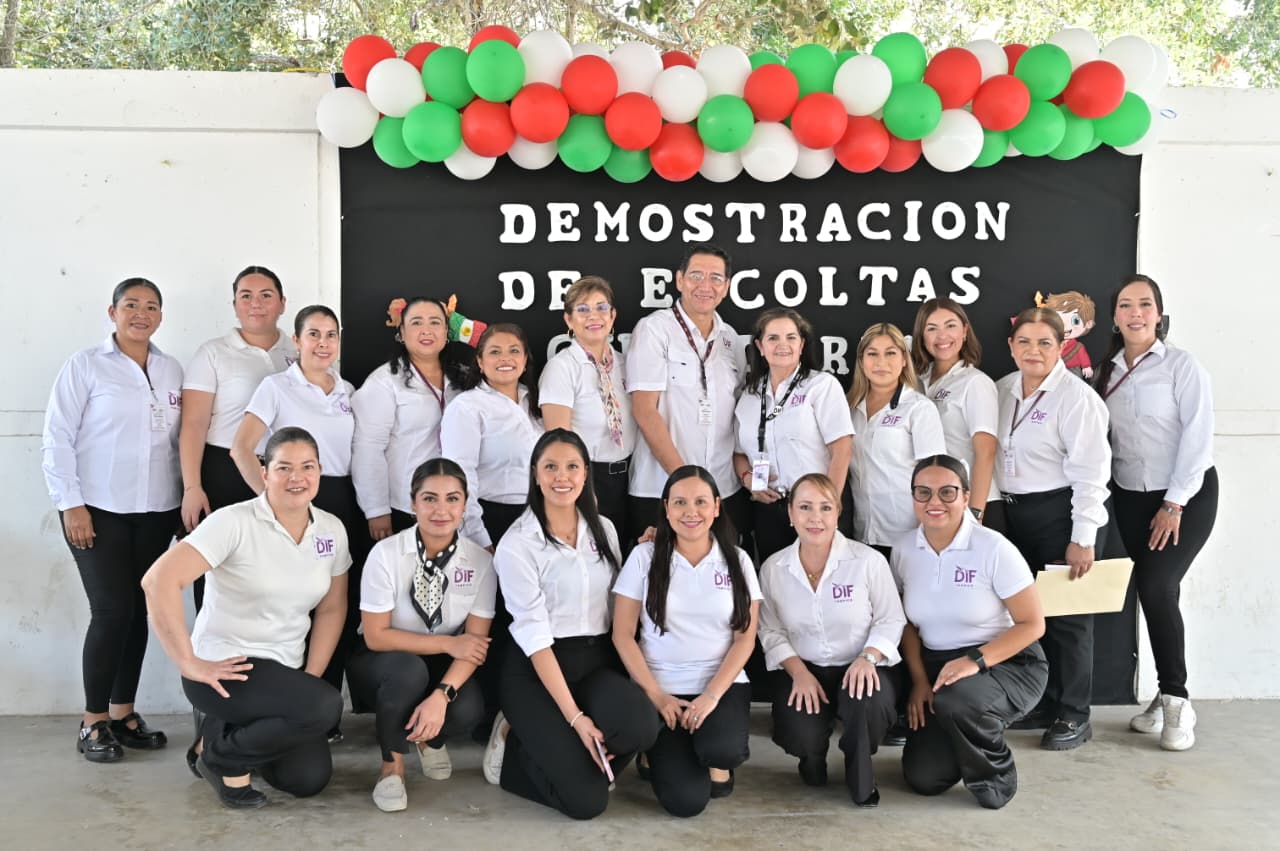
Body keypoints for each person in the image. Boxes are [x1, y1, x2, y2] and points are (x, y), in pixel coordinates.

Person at [141, 428, 350, 809]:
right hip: (224, 667)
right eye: (284, 467)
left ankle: (221, 736)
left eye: (307, 467)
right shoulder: (233, 522)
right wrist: (189, 663)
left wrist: (310, 679)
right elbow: (158, 581)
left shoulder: (331, 530)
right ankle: (220, 757)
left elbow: (332, 608)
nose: (297, 477)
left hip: (283, 672)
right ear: (264, 472)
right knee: (325, 706)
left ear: (320, 471)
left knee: (307, 779)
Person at [42, 277, 182, 762]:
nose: (141, 314)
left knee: (138, 610)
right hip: (97, 509)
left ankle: (123, 714)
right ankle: (93, 721)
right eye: (131, 305)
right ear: (113, 312)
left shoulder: (170, 369)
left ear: (161, 316)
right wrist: (70, 503)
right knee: (111, 611)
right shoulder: (85, 365)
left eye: (151, 306)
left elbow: (177, 442)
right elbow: (57, 436)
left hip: (157, 509)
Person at [485, 430, 659, 820]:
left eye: (572, 467)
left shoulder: (604, 529)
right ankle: (513, 746)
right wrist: (577, 720)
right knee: (586, 802)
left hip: (595, 661)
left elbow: (617, 603)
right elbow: (534, 637)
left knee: (643, 726)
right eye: (551, 467)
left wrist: (646, 553)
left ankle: (574, 762)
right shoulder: (518, 544)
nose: (561, 477)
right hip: (538, 667)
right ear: (535, 474)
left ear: (585, 474)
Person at [1094, 275, 1218, 751]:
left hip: (1185, 495)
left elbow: (1198, 438)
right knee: (1152, 592)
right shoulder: (1104, 372)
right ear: (1115, 317)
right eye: (1126, 305)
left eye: (1145, 304)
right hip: (1130, 496)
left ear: (1159, 314)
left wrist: (1174, 503)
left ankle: (1177, 700)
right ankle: (1165, 692)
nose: (1136, 313)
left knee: (1158, 586)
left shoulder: (1181, 366)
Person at [230, 305, 361, 719]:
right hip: (294, 499)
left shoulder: (347, 391)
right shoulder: (276, 386)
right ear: (298, 340)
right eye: (314, 334)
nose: (323, 343)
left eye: (331, 335)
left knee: (337, 604)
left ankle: (323, 707)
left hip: (342, 500)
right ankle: (282, 702)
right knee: (291, 600)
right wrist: (273, 504)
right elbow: (241, 448)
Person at [895, 455, 1047, 810]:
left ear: (966, 496)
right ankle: (964, 734)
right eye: (923, 492)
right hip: (938, 669)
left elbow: (1033, 624)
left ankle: (996, 777)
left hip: (1005, 663)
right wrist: (919, 681)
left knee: (959, 701)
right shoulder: (903, 550)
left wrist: (974, 660)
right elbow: (906, 625)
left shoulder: (994, 548)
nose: (934, 502)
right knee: (924, 778)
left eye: (947, 492)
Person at [612, 465, 761, 818]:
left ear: (717, 507)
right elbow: (622, 634)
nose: (690, 512)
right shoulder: (644, 557)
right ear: (666, 508)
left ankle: (707, 751)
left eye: (700, 502)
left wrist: (710, 697)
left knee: (721, 753)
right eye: (679, 502)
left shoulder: (737, 560)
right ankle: (656, 750)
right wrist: (656, 695)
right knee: (685, 803)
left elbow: (745, 639)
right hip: (661, 686)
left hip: (719, 684)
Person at [348, 458, 495, 812]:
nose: (441, 510)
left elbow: (474, 646)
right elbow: (376, 636)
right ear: (413, 503)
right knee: (407, 672)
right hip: (382, 660)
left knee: (468, 707)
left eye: (452, 499)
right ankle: (391, 766)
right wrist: (448, 642)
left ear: (465, 505)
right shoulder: (386, 554)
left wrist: (442, 696)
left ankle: (428, 739)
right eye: (429, 499)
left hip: (441, 660)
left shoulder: (481, 562)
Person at [996, 308, 1111, 750]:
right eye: (1024, 341)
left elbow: (1091, 475)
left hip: (1063, 514)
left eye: (1045, 342)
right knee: (1029, 616)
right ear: (1011, 346)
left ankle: (1075, 714)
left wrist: (1082, 538)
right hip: (1016, 515)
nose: (1034, 351)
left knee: (1069, 620)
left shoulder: (1076, 399)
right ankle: (1043, 703)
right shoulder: (1004, 389)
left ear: (1062, 347)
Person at [758, 474, 904, 807]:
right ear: (790, 513)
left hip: (862, 665)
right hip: (805, 668)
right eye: (805, 507)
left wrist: (868, 658)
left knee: (867, 700)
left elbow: (891, 618)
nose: (815, 518)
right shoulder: (774, 568)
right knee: (798, 731)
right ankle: (811, 758)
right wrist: (798, 673)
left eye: (825, 508)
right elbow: (770, 630)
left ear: (838, 512)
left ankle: (860, 770)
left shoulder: (867, 561)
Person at [180, 266, 295, 609]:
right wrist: (191, 487)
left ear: (282, 303)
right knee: (217, 574)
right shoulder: (213, 352)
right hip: (223, 472)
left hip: (282, 473)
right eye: (246, 296)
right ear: (234, 305)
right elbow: (194, 425)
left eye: (266, 296)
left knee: (275, 573)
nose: (256, 304)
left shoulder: (299, 351)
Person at [626, 244, 749, 549]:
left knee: (724, 574)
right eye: (696, 275)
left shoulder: (730, 338)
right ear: (679, 280)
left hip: (723, 490)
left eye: (716, 278)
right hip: (662, 489)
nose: (705, 285)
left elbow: (739, 415)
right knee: (661, 575)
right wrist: (684, 482)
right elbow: (644, 410)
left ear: (726, 287)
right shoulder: (654, 329)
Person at [732, 308, 854, 561]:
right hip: (770, 509)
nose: (782, 345)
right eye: (773, 338)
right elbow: (738, 453)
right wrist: (748, 480)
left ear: (802, 345)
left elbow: (842, 449)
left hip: (817, 508)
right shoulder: (749, 396)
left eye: (791, 337)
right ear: (760, 346)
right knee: (776, 577)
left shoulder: (820, 386)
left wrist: (828, 505)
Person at [352, 297, 469, 541]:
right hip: (403, 505)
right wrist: (376, 509)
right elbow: (368, 447)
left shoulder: (463, 378)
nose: (426, 330)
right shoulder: (384, 382)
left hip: (454, 507)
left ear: (446, 332)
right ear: (402, 333)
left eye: (435, 322)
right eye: (416, 322)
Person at [539, 277, 636, 545]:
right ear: (569, 320)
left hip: (630, 477)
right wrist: (580, 489)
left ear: (613, 316)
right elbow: (558, 440)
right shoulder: (562, 368)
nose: (593, 316)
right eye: (582, 309)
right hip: (589, 478)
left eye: (601, 307)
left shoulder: (625, 364)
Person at [439, 323, 543, 550]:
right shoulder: (466, 407)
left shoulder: (537, 403)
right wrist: (478, 537)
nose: (505, 358)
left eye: (514, 351)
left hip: (540, 517)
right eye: (495, 352)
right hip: (493, 519)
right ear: (480, 361)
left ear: (525, 359)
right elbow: (460, 476)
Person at [846, 322, 946, 558]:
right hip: (861, 534)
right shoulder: (849, 409)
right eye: (872, 354)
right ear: (861, 361)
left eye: (890, 353)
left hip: (908, 534)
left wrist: (928, 532)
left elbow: (935, 476)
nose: (881, 362)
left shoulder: (919, 409)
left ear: (903, 359)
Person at [912, 297, 1001, 528]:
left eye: (950, 325)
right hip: (941, 503)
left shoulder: (975, 382)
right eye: (932, 328)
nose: (942, 336)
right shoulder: (918, 382)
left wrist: (975, 514)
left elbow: (986, 451)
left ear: (964, 331)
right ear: (922, 336)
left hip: (975, 504)